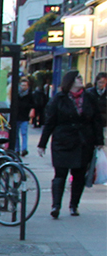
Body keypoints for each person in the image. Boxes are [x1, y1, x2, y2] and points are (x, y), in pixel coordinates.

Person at [37, 70, 103, 218]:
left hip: (83, 141)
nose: (81, 80)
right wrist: (42, 143)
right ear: (70, 81)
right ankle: (56, 206)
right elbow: (50, 122)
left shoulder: (89, 97)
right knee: (60, 174)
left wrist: (99, 141)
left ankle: (74, 205)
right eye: (78, 78)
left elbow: (96, 120)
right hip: (63, 142)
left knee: (79, 175)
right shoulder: (59, 98)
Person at [14, 76, 35, 156]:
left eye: (25, 85)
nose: (23, 87)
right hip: (17, 116)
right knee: (16, 134)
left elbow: (33, 104)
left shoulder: (30, 95)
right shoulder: (16, 94)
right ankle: (17, 149)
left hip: (25, 116)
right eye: (22, 85)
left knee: (24, 133)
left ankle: (24, 149)